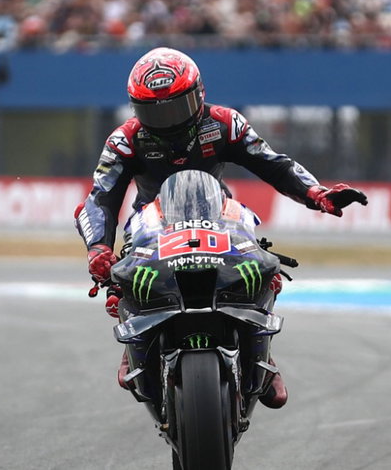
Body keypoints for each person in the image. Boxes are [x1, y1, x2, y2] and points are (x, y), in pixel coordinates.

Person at [75, 46, 367, 409]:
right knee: (120, 279)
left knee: (264, 269)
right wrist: (99, 248)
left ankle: (262, 353)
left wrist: (316, 193)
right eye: (154, 112)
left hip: (219, 215)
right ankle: (135, 345)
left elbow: (273, 164)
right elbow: (99, 199)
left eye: (175, 108)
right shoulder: (124, 139)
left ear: (199, 95)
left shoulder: (225, 123)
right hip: (151, 224)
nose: (167, 122)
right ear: (136, 108)